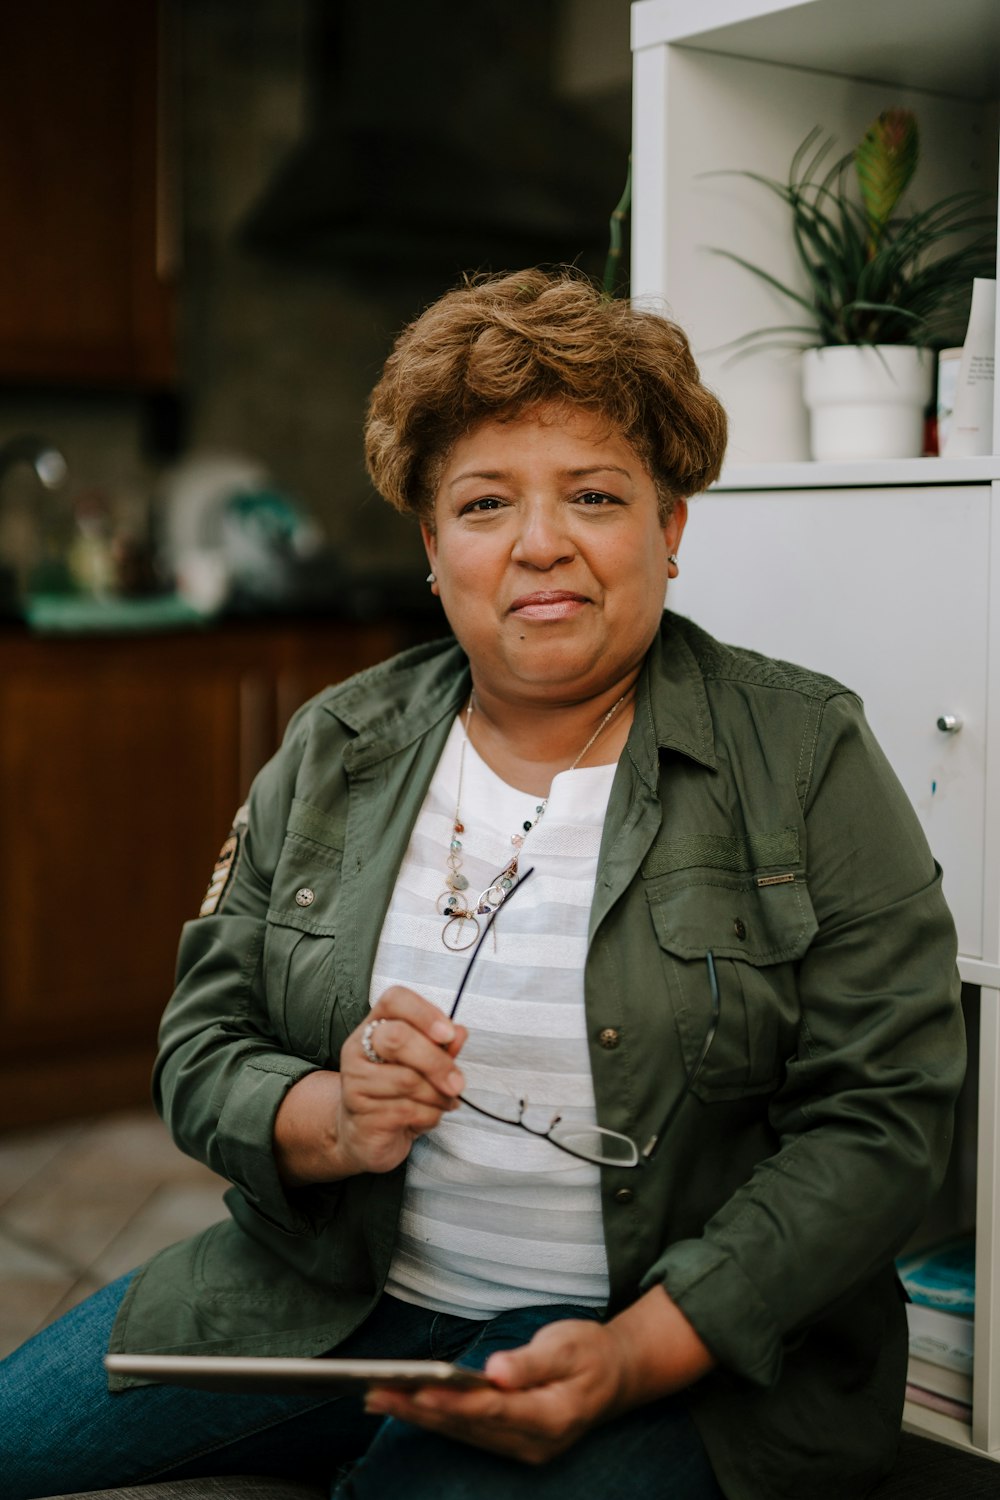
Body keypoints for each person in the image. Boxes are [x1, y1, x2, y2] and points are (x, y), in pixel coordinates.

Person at [2, 268, 964, 1500]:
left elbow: (882, 1121)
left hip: (674, 1348)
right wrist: (329, 1119)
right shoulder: (337, 745)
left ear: (670, 530)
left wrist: (629, 1357)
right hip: (321, 1301)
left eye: (596, 495)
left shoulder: (803, 752)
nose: (538, 543)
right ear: (431, 543)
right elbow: (200, 1045)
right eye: (484, 502)